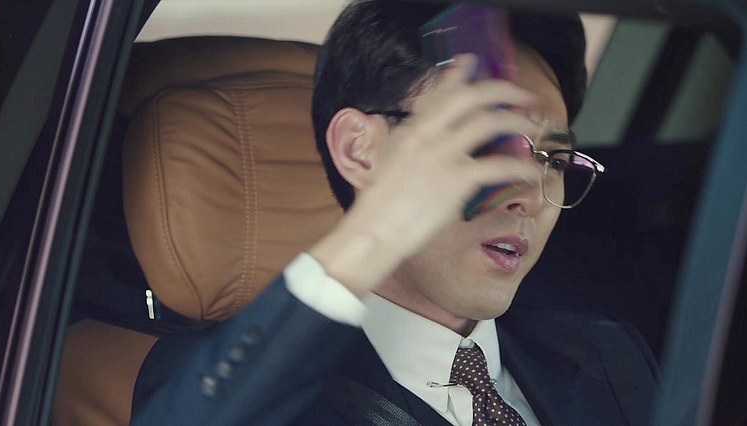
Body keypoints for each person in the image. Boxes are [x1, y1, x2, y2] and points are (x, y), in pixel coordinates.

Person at [131, 1, 659, 425]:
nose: (530, 196)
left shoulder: (606, 355)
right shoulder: (246, 391)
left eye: (555, 160)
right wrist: (376, 232)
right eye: (484, 144)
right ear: (360, 151)